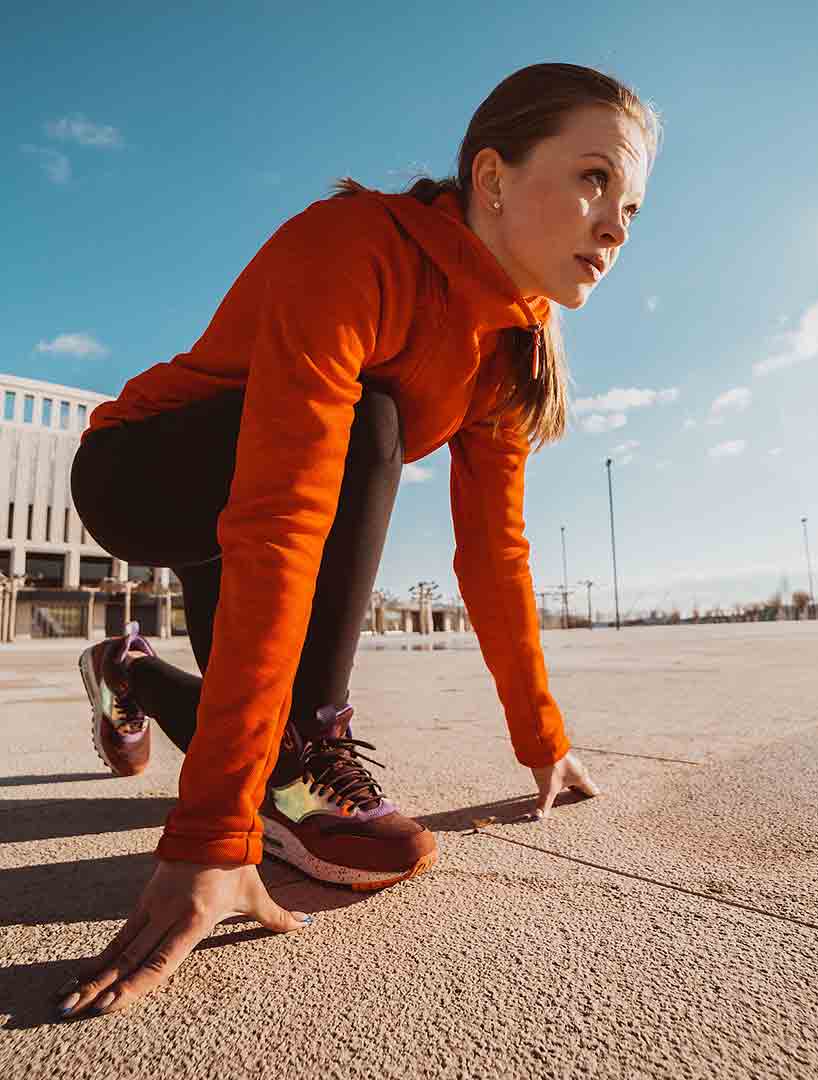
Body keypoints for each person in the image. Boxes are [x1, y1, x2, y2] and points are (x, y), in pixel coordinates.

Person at [53, 62, 660, 1019]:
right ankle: (312, 741)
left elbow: (494, 554)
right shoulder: (356, 245)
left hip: (258, 504)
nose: (618, 224)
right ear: (493, 176)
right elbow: (282, 513)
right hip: (144, 472)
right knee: (370, 421)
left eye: (633, 204)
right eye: (594, 178)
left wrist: (542, 740)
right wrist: (210, 838)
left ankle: (127, 671)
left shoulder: (513, 346)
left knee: (254, 735)